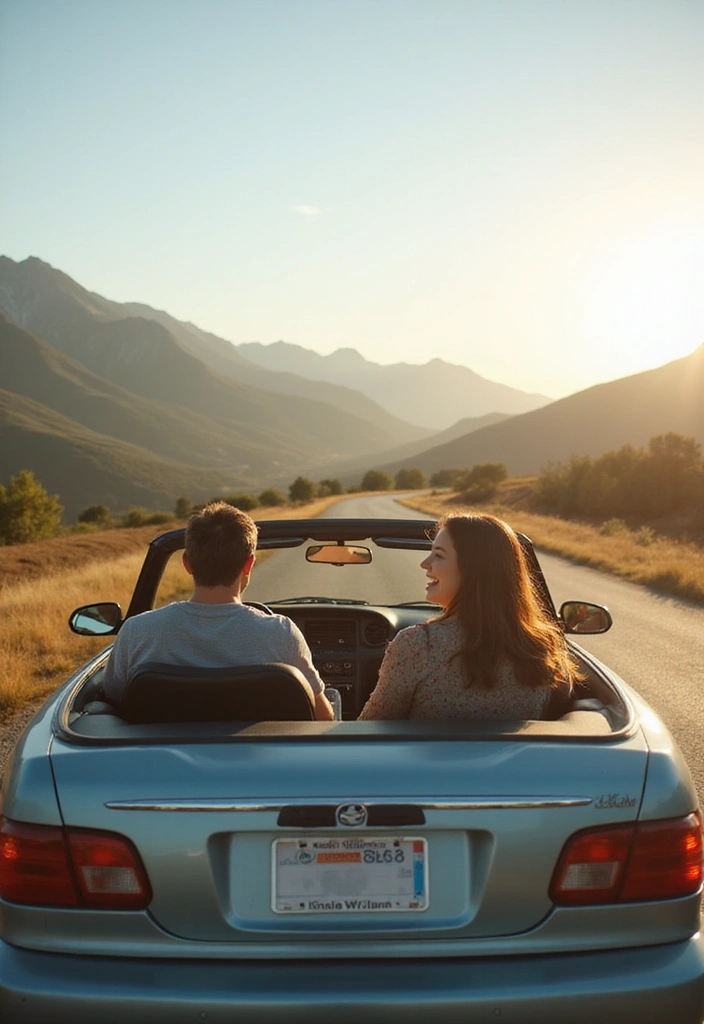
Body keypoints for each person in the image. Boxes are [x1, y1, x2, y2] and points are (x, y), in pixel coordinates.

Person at [103, 501, 334, 720]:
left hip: (161, 761)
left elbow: (113, 703)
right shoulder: (281, 634)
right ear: (249, 563)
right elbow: (323, 719)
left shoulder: (137, 631)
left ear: (187, 563)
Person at [358, 512, 579, 720]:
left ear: (473, 570)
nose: (425, 564)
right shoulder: (543, 647)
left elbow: (371, 729)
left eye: (438, 555)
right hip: (518, 762)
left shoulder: (418, 645)